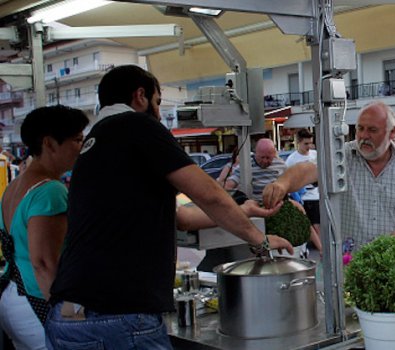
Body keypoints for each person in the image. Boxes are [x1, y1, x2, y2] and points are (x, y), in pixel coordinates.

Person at [45, 65, 292, 349]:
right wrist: (260, 241)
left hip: (67, 318)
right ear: (140, 96)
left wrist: (244, 211)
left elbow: (182, 218)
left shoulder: (97, 141)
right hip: (119, 317)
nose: (160, 114)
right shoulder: (136, 125)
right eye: (158, 102)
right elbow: (208, 193)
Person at [263, 100, 395, 247]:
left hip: (393, 270)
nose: (363, 136)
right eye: (360, 128)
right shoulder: (342, 156)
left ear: (392, 132)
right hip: (350, 270)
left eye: (372, 130)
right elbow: (307, 170)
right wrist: (282, 184)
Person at [0, 106, 88, 350]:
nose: (81, 148)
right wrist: (70, 317)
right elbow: (45, 263)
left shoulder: (15, 186)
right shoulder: (49, 190)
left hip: (13, 295)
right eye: (77, 140)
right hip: (38, 301)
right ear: (49, 143)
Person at [285, 129, 321, 252]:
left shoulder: (315, 154)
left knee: (318, 225)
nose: (309, 146)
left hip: (316, 195)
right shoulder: (291, 159)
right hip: (302, 196)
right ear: (298, 143)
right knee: (309, 225)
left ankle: (321, 247)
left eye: (310, 143)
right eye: (306, 144)